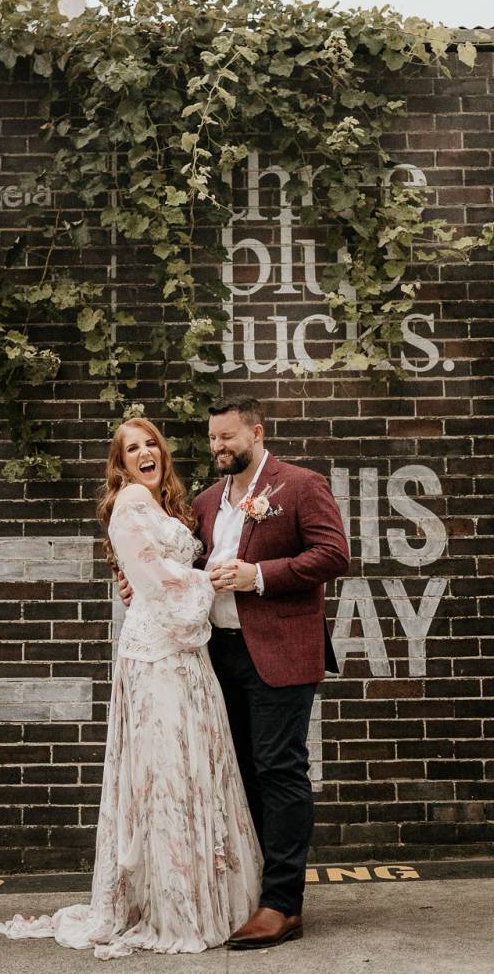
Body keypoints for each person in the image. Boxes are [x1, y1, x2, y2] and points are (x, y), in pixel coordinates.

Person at [0, 417, 260, 960]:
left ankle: (200, 898)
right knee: (164, 774)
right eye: (131, 448)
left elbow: (159, 569)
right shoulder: (130, 503)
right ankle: (171, 906)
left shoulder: (167, 507)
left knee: (192, 769)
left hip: (186, 652)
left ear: (162, 452)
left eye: (150, 443)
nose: (143, 453)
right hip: (156, 655)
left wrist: (184, 578)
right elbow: (155, 579)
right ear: (121, 464)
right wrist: (207, 582)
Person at [122, 395, 350, 949]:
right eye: (212, 438)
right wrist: (139, 585)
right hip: (215, 656)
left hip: (280, 651)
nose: (218, 446)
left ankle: (282, 906)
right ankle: (252, 893)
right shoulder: (205, 501)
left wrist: (259, 576)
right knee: (238, 775)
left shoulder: (301, 485)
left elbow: (333, 554)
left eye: (227, 436)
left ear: (256, 433)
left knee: (279, 770)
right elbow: (182, 568)